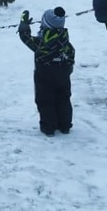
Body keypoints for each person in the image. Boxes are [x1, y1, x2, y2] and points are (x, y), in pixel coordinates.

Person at [18, 7, 75, 136]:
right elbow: (72, 54)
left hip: (44, 76)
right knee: (64, 98)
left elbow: (25, 37)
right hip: (63, 75)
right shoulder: (65, 41)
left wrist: (23, 24)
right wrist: (68, 68)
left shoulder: (42, 43)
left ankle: (49, 127)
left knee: (45, 100)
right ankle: (65, 125)